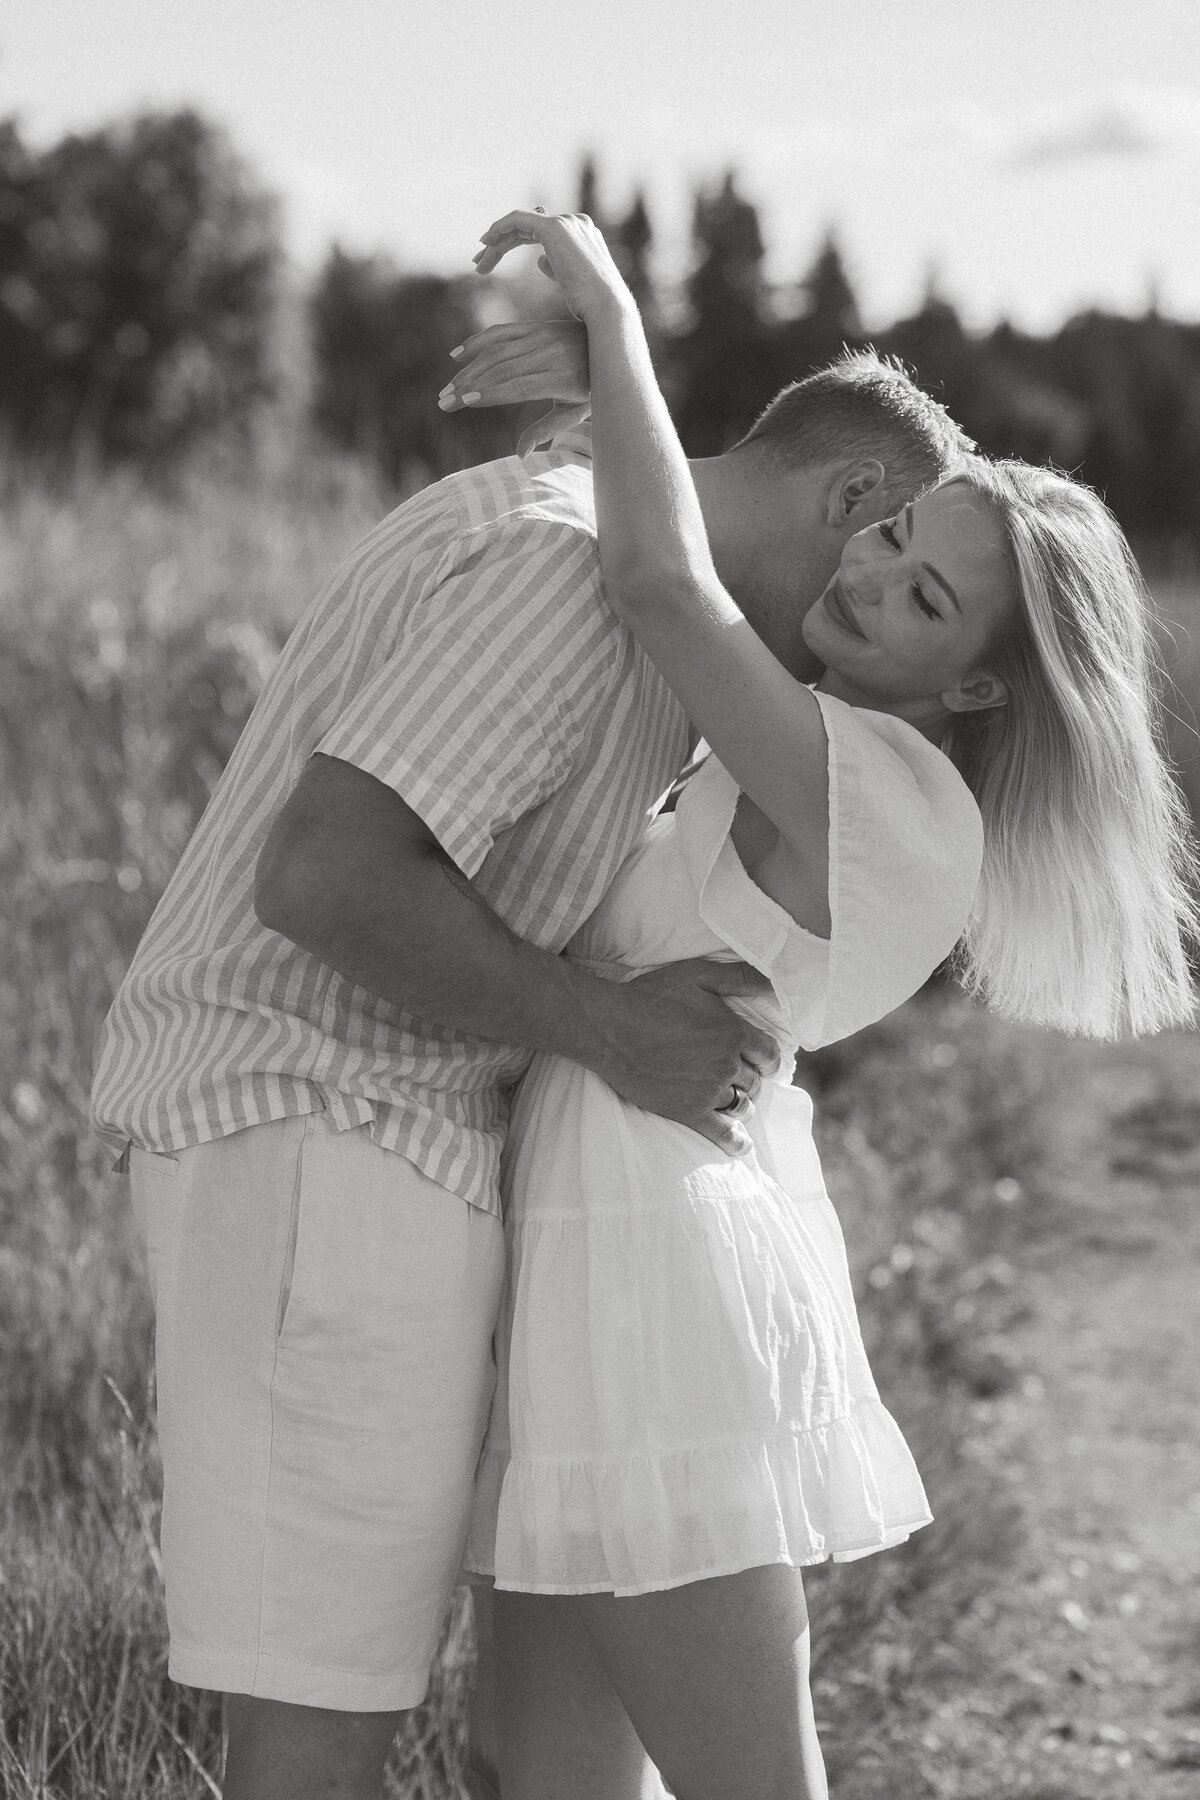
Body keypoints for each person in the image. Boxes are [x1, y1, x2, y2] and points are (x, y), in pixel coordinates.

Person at [90, 294, 973, 1795]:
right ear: (857, 502)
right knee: (316, 1732)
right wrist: (609, 1027)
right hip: (330, 1141)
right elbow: (327, 878)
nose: (843, 630)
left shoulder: (629, 598)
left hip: (449, 1189)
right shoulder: (573, 574)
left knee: (505, 1753)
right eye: (886, 555)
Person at [450, 211, 1200, 1800]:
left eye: (928, 600)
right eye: (893, 537)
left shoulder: (896, 801)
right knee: (543, 1772)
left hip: (657, 1287)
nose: (869, 578)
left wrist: (609, 313)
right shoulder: (799, 742)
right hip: (589, 1241)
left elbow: (662, 576)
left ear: (981, 685)